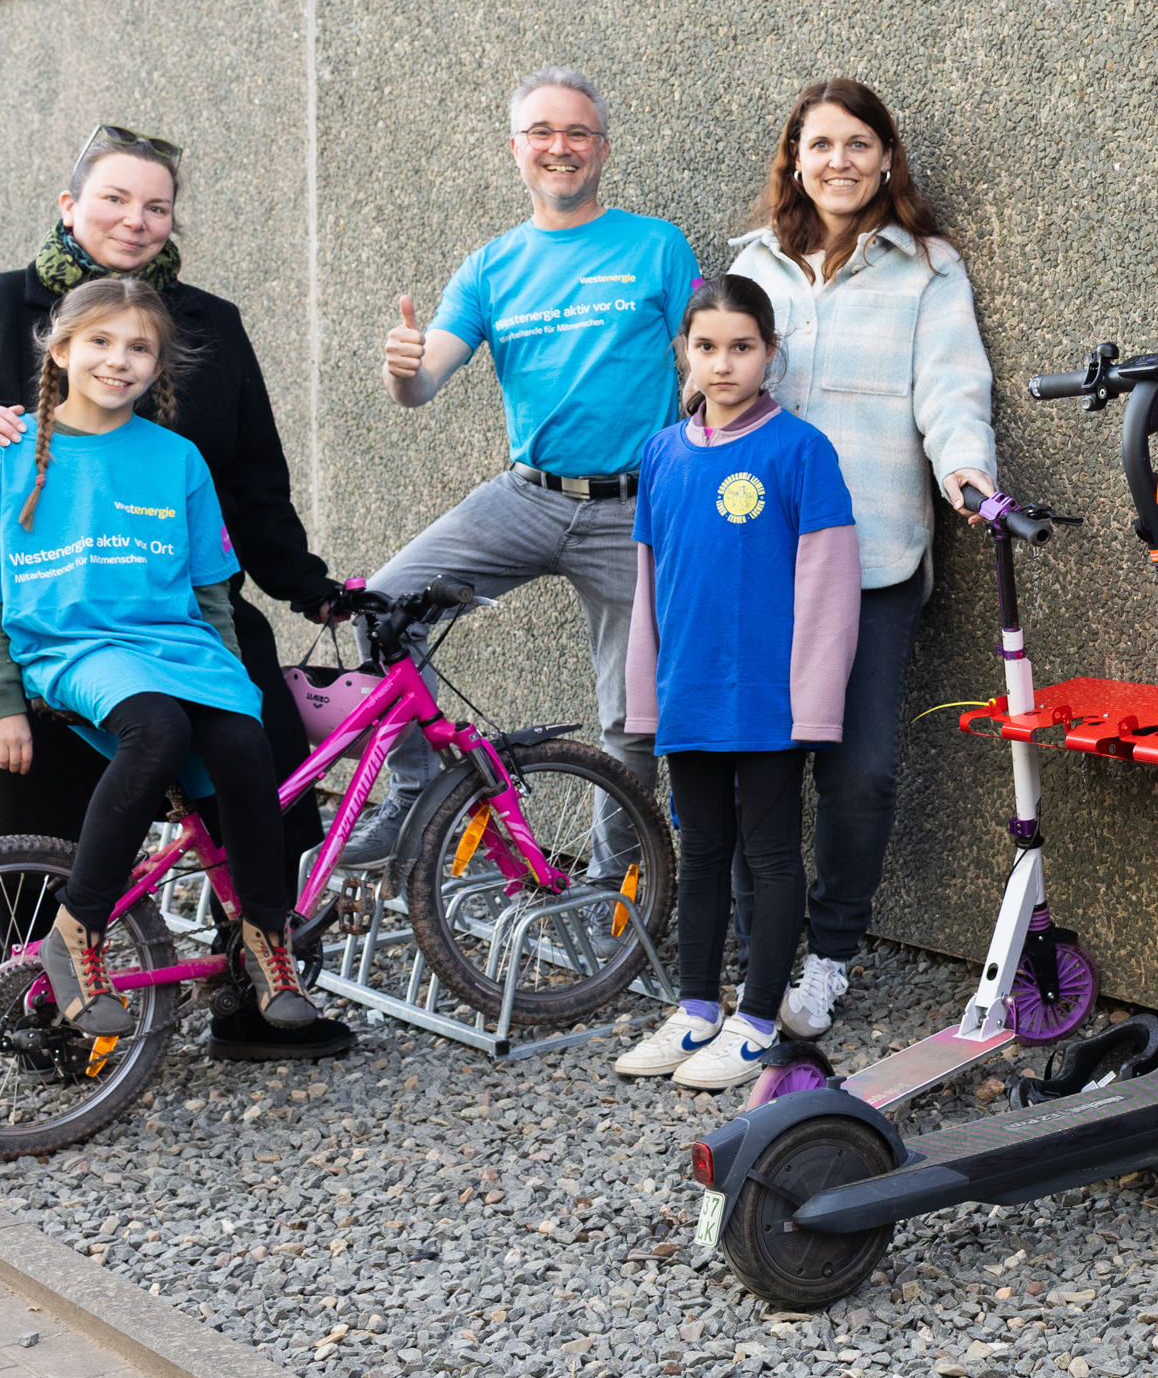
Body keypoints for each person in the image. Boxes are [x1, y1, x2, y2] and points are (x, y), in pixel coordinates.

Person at [0, 126, 352, 1062]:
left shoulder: (207, 325)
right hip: (30, 609)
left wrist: (308, 589)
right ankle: (44, 1020)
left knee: (262, 780)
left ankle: (252, 996)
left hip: (165, 607)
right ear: (69, 205)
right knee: (30, 810)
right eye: (115, 200)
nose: (135, 219)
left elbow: (250, 484)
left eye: (156, 205)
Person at [0, 277, 314, 1036]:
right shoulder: (5, 454)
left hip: (177, 646)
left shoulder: (178, 459)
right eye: (101, 342)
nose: (119, 361)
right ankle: (76, 933)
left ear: (159, 364)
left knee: (245, 742)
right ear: (61, 347)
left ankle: (263, 939)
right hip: (73, 648)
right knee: (160, 731)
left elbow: (212, 592)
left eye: (139, 347)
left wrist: (231, 679)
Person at [351, 68, 699, 866]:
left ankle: (620, 887)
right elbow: (422, 383)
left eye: (577, 132)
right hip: (528, 496)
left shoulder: (657, 245)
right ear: (516, 150)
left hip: (635, 506)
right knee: (379, 612)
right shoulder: (490, 267)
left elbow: (710, 356)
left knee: (633, 718)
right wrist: (401, 368)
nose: (560, 147)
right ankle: (412, 797)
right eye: (541, 132)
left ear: (603, 149)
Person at [725, 79, 995, 1041]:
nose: (838, 161)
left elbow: (952, 388)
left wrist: (967, 476)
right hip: (752, 557)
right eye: (820, 144)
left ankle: (830, 953)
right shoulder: (752, 264)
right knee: (753, 763)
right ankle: (756, 957)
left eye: (858, 144)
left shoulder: (926, 268)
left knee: (862, 771)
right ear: (794, 157)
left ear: (887, 156)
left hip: (871, 555)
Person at [611, 276, 861, 1092]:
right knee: (702, 850)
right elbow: (648, 588)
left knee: (772, 855)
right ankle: (695, 1011)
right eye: (707, 346)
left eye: (742, 347)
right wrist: (646, 697)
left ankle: (756, 1023)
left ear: (770, 354)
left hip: (768, 699)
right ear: (684, 350)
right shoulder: (660, 452)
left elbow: (828, 590)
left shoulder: (799, 451)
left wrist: (813, 703)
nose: (723, 364)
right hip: (689, 694)